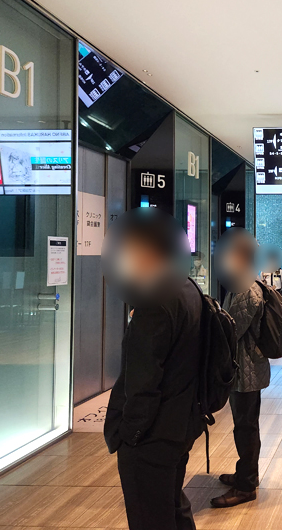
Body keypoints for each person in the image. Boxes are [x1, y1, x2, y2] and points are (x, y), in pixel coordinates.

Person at [102, 211, 204, 530]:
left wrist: (130, 435)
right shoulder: (188, 289)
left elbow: (143, 380)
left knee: (150, 517)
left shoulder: (154, 302)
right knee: (173, 507)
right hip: (182, 423)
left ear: (148, 252)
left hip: (154, 436)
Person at [211, 233, 268, 508]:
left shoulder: (247, 289)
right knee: (244, 425)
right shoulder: (242, 284)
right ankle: (245, 473)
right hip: (244, 368)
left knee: (246, 427)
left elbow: (232, 330)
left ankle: (246, 485)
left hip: (247, 370)